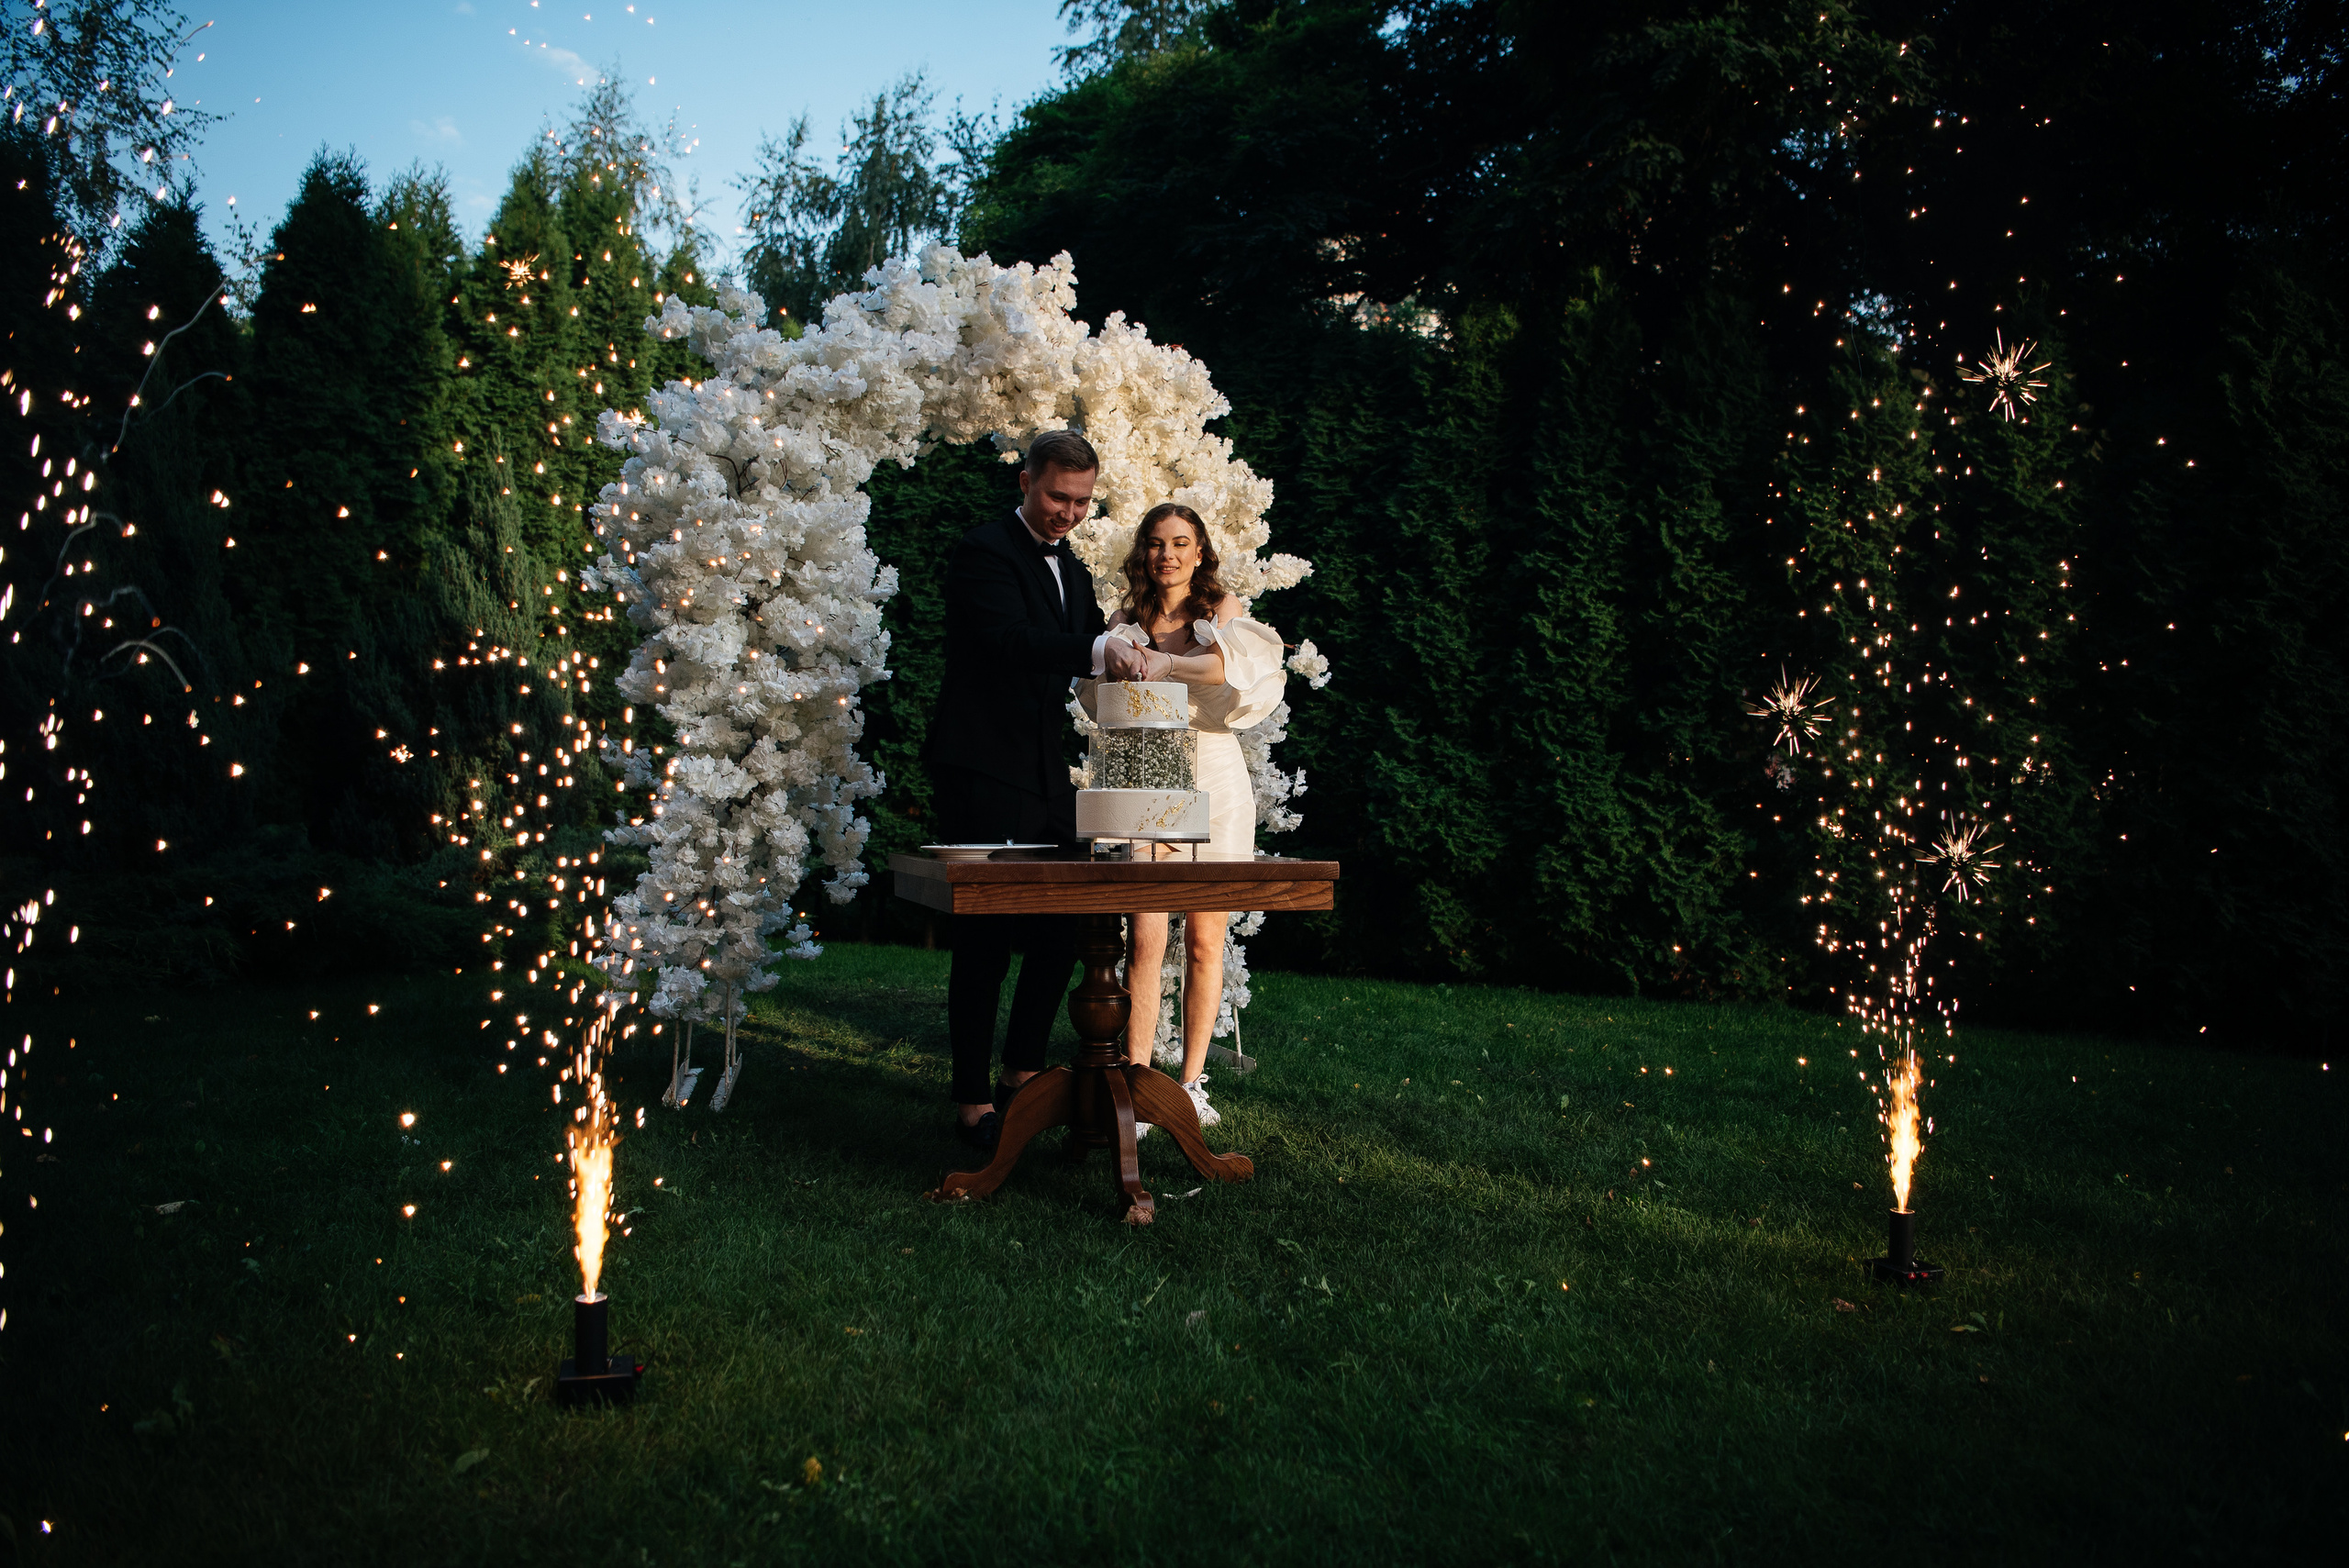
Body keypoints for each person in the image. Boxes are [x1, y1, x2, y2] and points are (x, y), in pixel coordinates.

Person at [923, 430, 1169, 1151]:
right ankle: (971, 1103)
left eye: (1083, 502)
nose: (1069, 512)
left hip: (1040, 770)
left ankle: (1021, 1078)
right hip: (977, 765)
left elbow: (1089, 640)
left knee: (1065, 925)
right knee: (985, 937)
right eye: (1058, 496)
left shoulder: (1075, 569)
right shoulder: (983, 551)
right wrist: (1097, 648)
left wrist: (1132, 651)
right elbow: (1011, 641)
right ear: (1025, 480)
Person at [1079, 501, 1287, 1132]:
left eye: (1180, 542)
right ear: (1144, 553)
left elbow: (1228, 667)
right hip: (1149, 776)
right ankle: (1138, 1082)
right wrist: (1124, 652)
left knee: (1204, 939)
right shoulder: (1123, 619)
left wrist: (1169, 662)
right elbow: (1095, 692)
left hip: (1216, 778)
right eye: (1156, 543)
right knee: (1143, 939)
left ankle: (1192, 1082)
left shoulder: (1219, 613)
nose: (1166, 554)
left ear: (1200, 554)